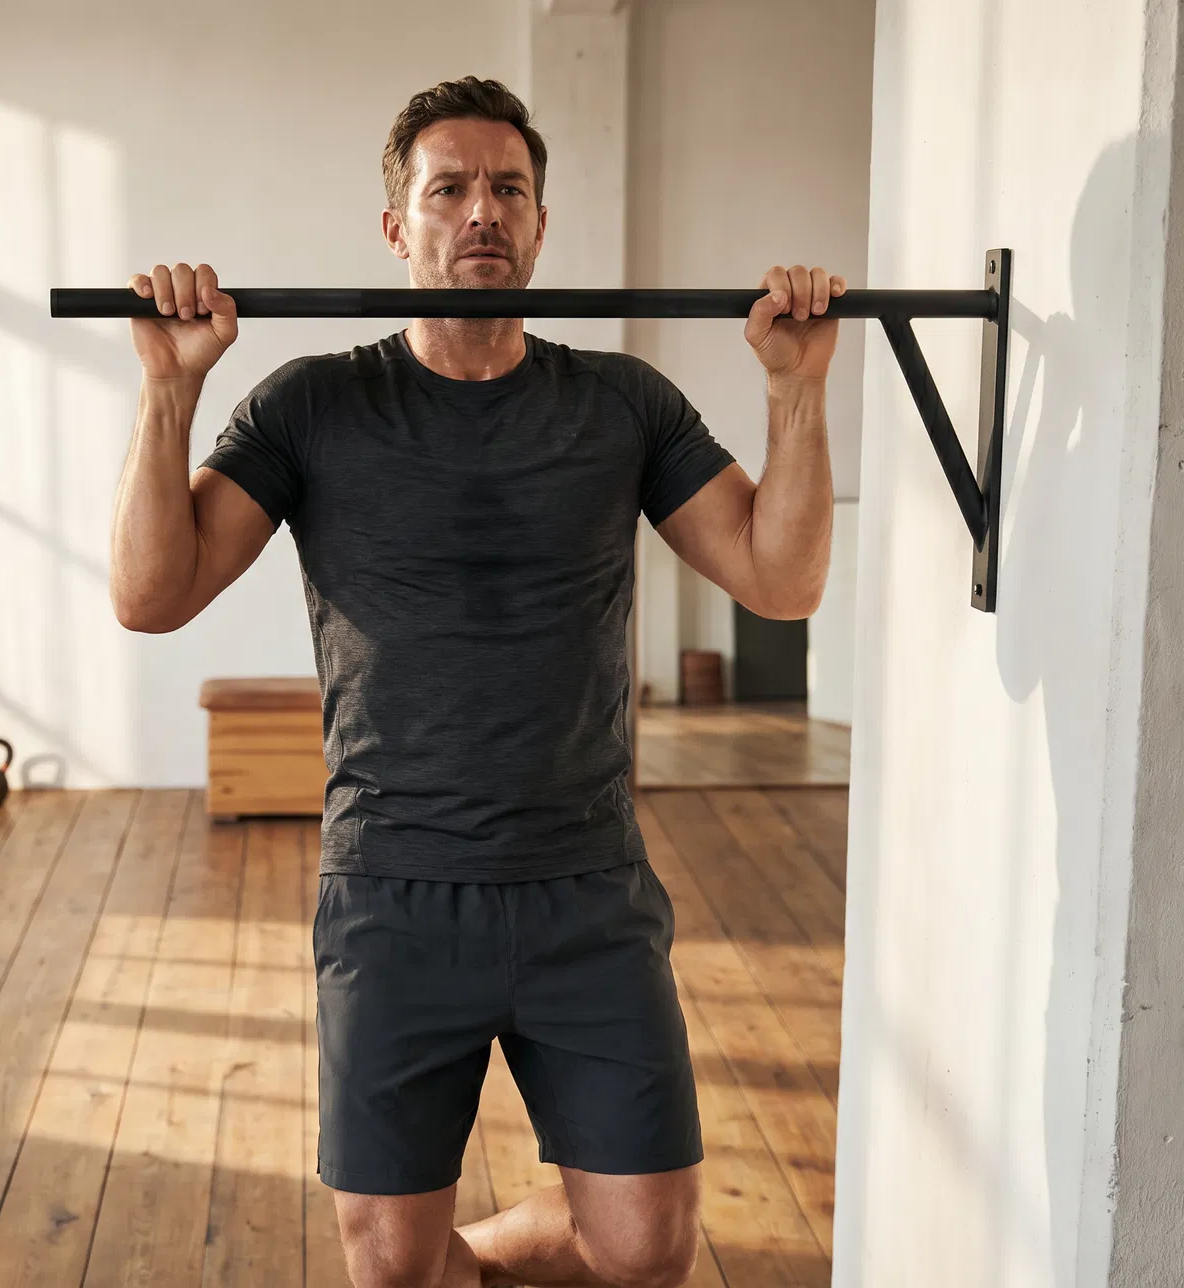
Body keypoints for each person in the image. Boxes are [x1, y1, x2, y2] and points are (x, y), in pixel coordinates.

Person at [110, 76, 840, 1288]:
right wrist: (169, 384)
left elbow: (781, 580)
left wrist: (796, 390)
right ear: (399, 227)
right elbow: (152, 593)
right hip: (394, 889)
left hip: (586, 885)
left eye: (509, 188)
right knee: (393, 1268)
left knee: (645, 1248)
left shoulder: (622, 403)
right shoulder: (315, 405)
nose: (482, 212)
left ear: (543, 226)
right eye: (447, 189)